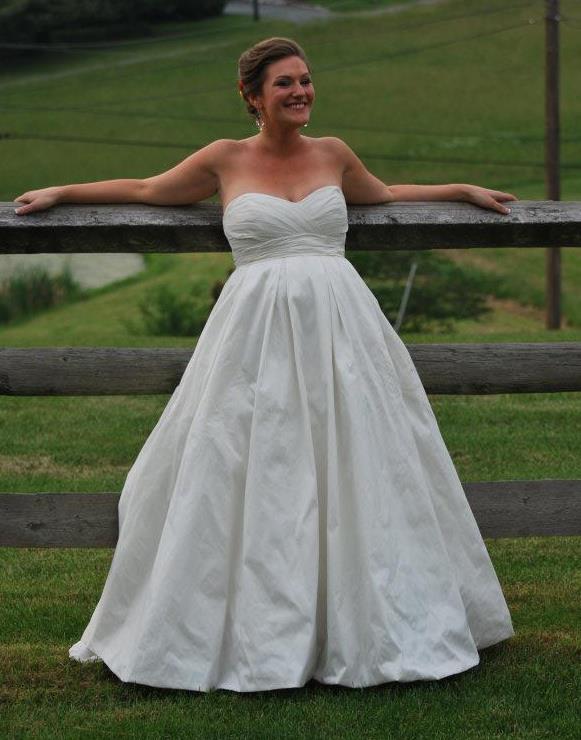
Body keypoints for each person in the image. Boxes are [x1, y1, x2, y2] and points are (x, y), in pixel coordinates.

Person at [14, 37, 517, 693]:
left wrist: (458, 188)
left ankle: (371, 620)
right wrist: (62, 191)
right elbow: (144, 188)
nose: (301, 92)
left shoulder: (333, 153)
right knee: (249, 463)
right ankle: (251, 625)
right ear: (253, 96)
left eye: (306, 80)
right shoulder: (224, 159)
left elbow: (386, 192)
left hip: (342, 329)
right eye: (285, 83)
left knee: (361, 463)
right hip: (253, 336)